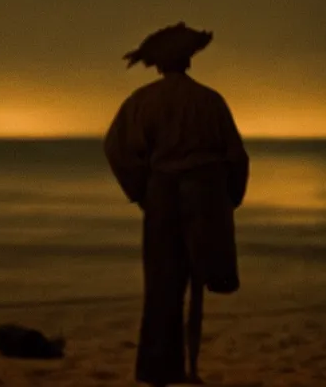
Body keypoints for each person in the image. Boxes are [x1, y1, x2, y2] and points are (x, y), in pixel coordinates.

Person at [104, 22, 249, 387]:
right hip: (206, 196)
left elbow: (116, 149)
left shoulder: (142, 101)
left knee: (162, 289)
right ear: (188, 60)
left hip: (163, 198)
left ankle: (159, 370)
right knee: (200, 282)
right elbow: (236, 156)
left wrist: (142, 190)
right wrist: (229, 198)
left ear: (158, 65)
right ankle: (192, 368)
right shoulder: (210, 100)